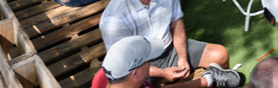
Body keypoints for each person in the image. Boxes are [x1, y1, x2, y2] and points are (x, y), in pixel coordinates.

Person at [99, 0, 234, 85]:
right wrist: (162, 73)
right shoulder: (114, 18)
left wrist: (182, 58)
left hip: (171, 49)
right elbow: (122, 66)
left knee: (220, 55)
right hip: (140, 65)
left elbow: (177, 23)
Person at [91, 35, 240, 88]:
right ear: (134, 73)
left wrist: (206, 80)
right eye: (149, 60)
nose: (151, 62)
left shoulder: (105, 75)